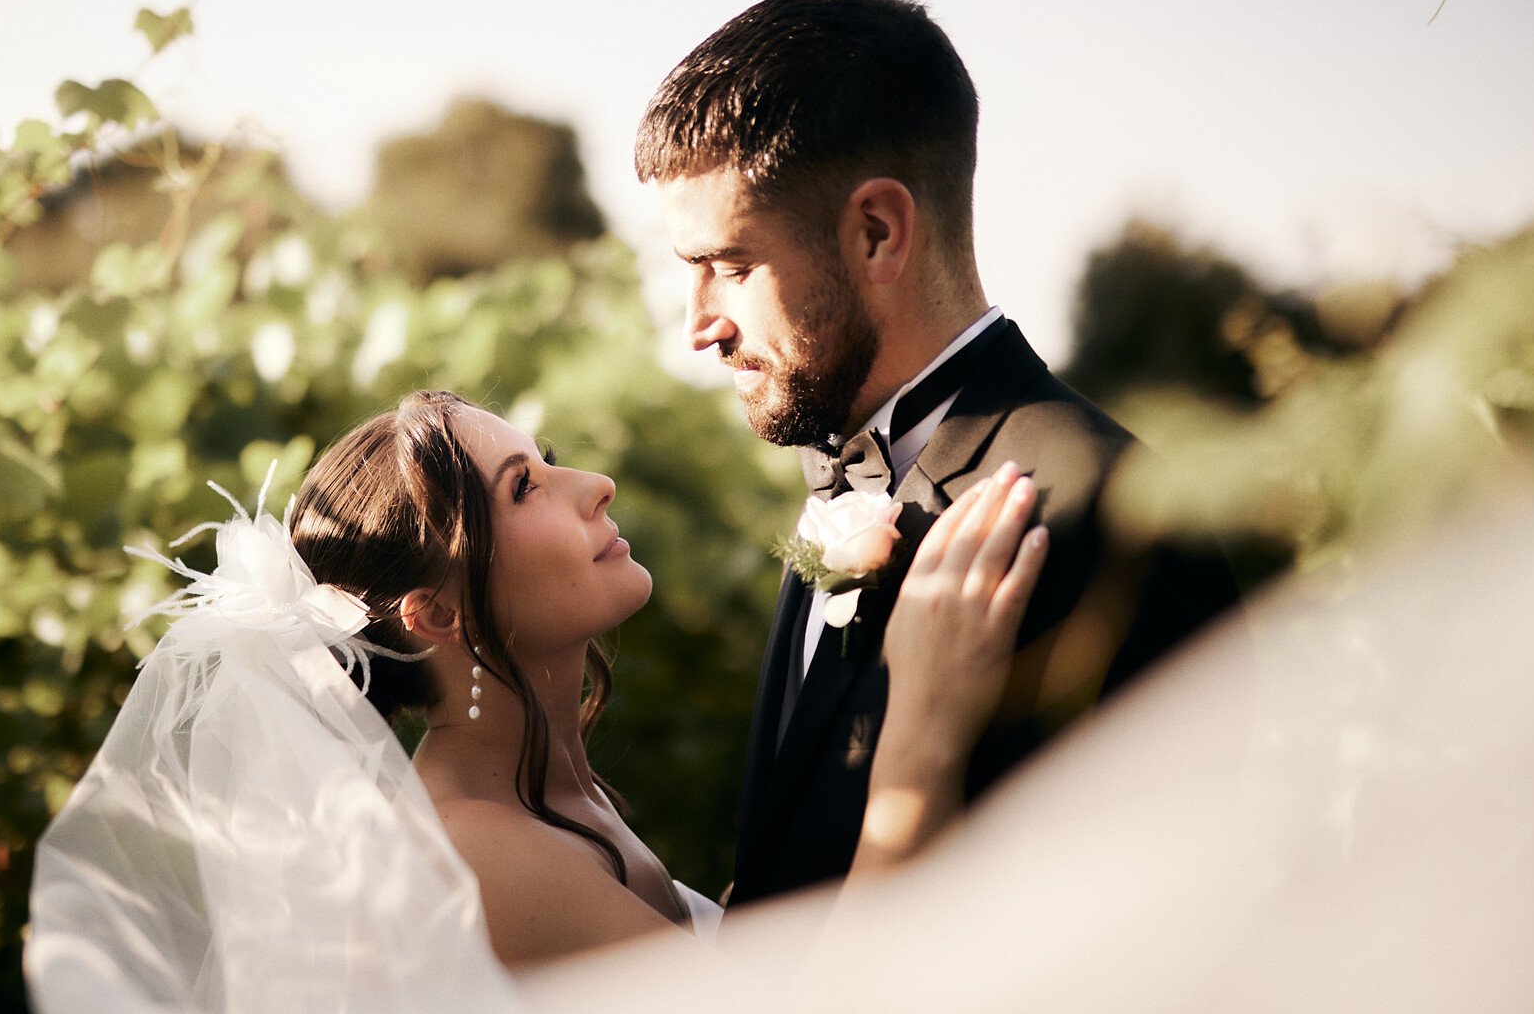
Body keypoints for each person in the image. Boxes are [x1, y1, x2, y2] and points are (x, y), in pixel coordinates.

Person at [635, 0, 1244, 907]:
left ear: (877, 232)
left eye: (730, 265)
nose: (700, 325)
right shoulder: (844, 472)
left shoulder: (1103, 514)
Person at [283, 389, 1047, 967]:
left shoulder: (551, 795)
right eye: (523, 486)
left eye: (547, 459)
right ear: (437, 617)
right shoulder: (472, 849)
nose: (596, 482)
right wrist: (922, 734)